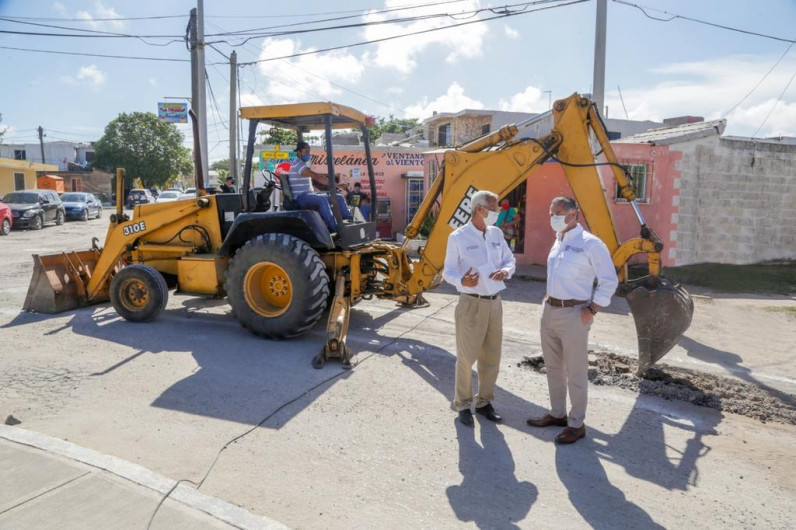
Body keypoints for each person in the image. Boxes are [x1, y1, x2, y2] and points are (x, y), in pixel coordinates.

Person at [526, 197, 618, 444]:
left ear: (574, 214)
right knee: (553, 367)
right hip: (550, 311)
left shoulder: (591, 244)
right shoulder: (558, 241)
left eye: (558, 213)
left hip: (575, 314)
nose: (553, 218)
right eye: (551, 213)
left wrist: (593, 308)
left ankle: (576, 424)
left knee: (575, 371)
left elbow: (609, 280)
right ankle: (558, 414)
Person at [443, 190, 516, 427]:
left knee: (492, 356)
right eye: (493, 209)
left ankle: (484, 402)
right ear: (479, 210)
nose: (497, 213)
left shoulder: (495, 233)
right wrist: (461, 281)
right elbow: (448, 272)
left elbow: (509, 259)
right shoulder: (458, 237)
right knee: (466, 358)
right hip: (471, 303)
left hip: (495, 303)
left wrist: (506, 271)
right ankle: (463, 404)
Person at [288, 141, 351, 232]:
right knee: (321, 199)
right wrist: (337, 185)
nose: (308, 154)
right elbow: (317, 177)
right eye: (306, 151)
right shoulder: (297, 164)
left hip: (309, 195)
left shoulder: (303, 164)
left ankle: (349, 222)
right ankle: (334, 228)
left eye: (309, 151)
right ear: (299, 152)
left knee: (338, 197)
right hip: (300, 198)